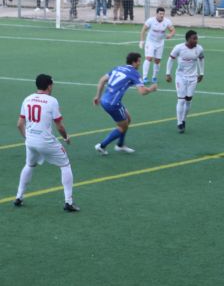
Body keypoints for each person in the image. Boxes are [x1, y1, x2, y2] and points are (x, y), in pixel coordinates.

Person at [14, 74, 79, 212]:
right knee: (65, 164)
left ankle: (19, 197)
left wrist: (28, 138)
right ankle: (69, 202)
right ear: (49, 85)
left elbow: (20, 124)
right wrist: (66, 137)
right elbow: (59, 126)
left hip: (30, 141)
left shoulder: (27, 99)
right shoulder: (52, 101)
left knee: (30, 165)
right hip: (45, 141)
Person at [93, 52, 158, 155]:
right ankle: (102, 146)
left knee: (128, 119)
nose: (140, 63)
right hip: (113, 104)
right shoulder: (134, 73)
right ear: (134, 62)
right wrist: (151, 89)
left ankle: (120, 145)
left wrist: (97, 96)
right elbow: (142, 92)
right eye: (139, 61)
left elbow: (102, 80)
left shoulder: (118, 68)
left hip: (105, 100)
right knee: (122, 126)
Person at [165, 30, 204, 133]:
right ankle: (179, 123)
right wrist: (168, 73)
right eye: (194, 38)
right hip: (180, 77)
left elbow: (201, 59)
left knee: (188, 100)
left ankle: (184, 119)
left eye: (196, 38)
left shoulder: (199, 49)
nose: (196, 40)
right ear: (188, 39)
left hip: (193, 78)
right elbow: (171, 59)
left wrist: (202, 73)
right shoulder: (178, 48)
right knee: (181, 100)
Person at [139, 7, 176, 83]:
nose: (162, 15)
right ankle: (145, 77)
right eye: (160, 14)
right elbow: (143, 30)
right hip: (150, 42)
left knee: (157, 61)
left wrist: (170, 35)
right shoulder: (150, 20)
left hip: (160, 43)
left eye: (163, 14)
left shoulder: (167, 22)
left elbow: (173, 30)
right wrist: (142, 41)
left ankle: (154, 77)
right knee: (149, 58)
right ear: (156, 14)